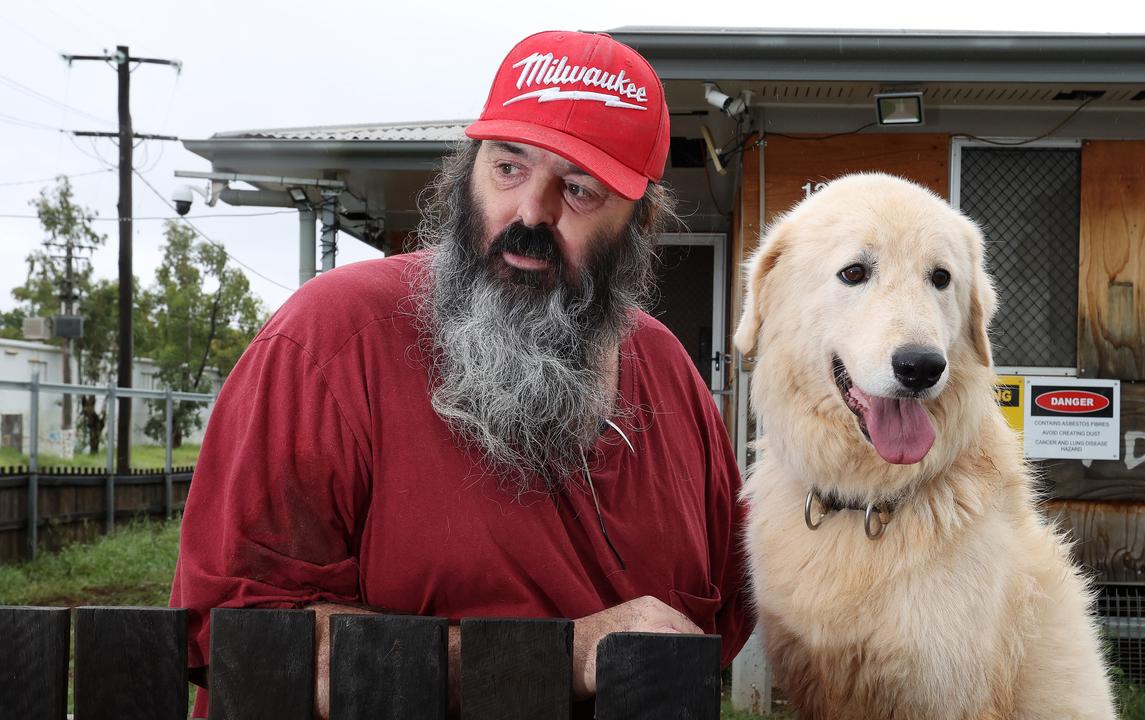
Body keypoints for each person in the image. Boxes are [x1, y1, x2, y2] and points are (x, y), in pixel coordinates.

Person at [170, 29, 752, 717]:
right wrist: (560, 655)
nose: (531, 212)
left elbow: (723, 611)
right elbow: (240, 632)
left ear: (641, 220)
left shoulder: (669, 375)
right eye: (509, 168)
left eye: (581, 188)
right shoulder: (332, 339)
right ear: (467, 169)